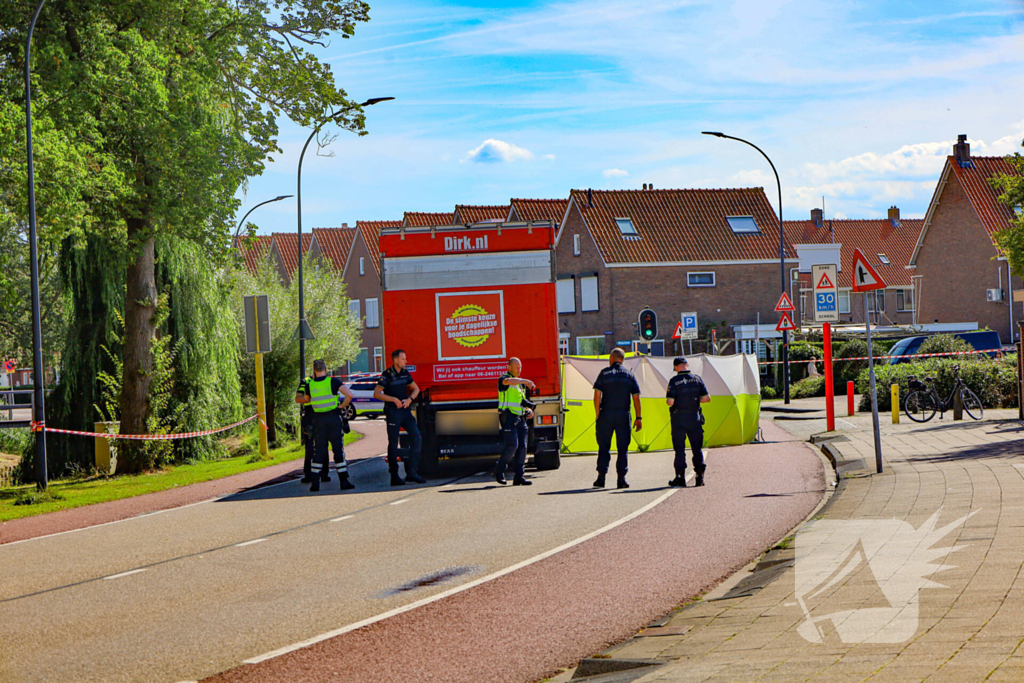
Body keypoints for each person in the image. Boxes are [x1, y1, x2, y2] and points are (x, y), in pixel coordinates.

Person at [295, 360, 355, 492]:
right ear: (326, 369)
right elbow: (349, 395)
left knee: (319, 453)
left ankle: (315, 484)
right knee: (338, 451)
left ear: (314, 370)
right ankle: (344, 481)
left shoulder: (309, 385)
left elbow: (306, 399)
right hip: (333, 419)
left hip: (318, 421)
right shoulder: (333, 381)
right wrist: (341, 406)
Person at [373, 349, 424, 486]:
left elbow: (416, 389)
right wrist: (393, 399)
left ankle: (412, 472)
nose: (405, 361)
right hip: (393, 412)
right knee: (393, 443)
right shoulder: (386, 375)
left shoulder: (405, 373)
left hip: (405, 411)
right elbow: (377, 393)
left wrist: (409, 400)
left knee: (417, 437)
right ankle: (394, 476)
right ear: (395, 360)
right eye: (403, 359)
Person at [592, 348, 641, 489]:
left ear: (612, 357)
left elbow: (597, 395)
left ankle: (601, 478)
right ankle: (621, 479)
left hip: (606, 415)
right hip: (623, 416)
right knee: (622, 448)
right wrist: (638, 417)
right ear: (622, 359)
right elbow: (636, 397)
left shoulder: (604, 373)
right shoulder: (629, 374)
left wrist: (597, 414)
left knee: (604, 447)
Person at [666, 357, 711, 487]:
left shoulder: (674, 381)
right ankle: (700, 477)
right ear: (687, 365)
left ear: (676, 367)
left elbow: (670, 402)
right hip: (694, 418)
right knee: (697, 449)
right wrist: (695, 401)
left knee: (680, 449)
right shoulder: (697, 378)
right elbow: (707, 398)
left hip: (679, 419)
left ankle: (680, 477)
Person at [494, 357, 536, 486]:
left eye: (520, 367)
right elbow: (509, 381)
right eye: (517, 367)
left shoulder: (521, 385)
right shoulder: (504, 379)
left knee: (523, 447)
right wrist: (525, 380)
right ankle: (499, 471)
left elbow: (522, 400)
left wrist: (529, 409)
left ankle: (519, 477)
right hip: (509, 417)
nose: (519, 370)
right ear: (509, 367)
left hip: (520, 418)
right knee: (512, 445)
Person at [296, 374, 319, 484]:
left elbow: (299, 398)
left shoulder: (306, 381)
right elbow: (298, 398)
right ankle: (314, 474)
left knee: (313, 446)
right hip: (315, 416)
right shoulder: (306, 381)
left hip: (314, 416)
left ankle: (313, 474)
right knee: (314, 446)